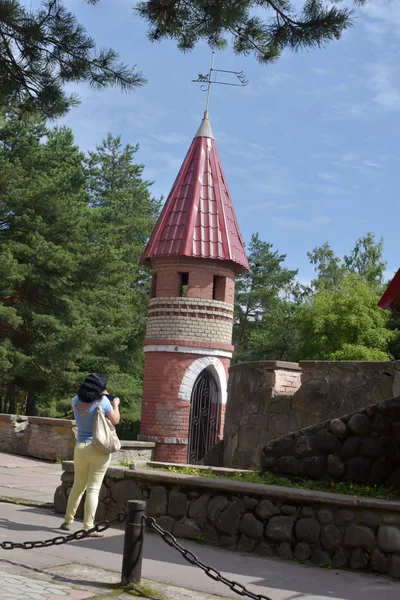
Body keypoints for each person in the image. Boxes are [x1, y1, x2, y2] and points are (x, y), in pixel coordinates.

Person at [60, 373, 120, 536]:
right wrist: (115, 404)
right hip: (98, 448)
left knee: (78, 486)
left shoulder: (75, 400)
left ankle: (67, 520)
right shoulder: (104, 402)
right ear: (100, 388)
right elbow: (115, 420)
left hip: (80, 447)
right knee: (93, 489)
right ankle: (88, 526)